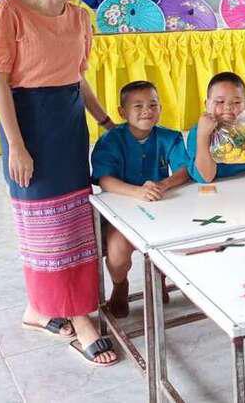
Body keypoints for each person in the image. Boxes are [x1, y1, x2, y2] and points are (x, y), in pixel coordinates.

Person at [0, 0, 118, 366]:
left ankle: (39, 309)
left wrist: (105, 121)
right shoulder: (8, 12)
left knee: (74, 223)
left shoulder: (80, 19)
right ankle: (79, 318)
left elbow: (77, 78)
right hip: (29, 128)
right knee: (44, 226)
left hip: (69, 127)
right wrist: (17, 146)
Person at [90, 80, 191, 318]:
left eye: (153, 105)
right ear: (122, 112)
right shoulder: (110, 140)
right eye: (138, 106)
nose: (147, 110)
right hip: (122, 211)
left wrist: (163, 184)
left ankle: (160, 280)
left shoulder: (170, 137)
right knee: (118, 251)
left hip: (160, 206)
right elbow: (104, 179)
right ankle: (120, 285)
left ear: (160, 108)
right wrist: (137, 192)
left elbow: (184, 170)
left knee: (170, 242)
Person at [186, 72, 245, 182]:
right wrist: (203, 135)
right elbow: (206, 177)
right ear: (207, 104)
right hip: (218, 191)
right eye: (220, 101)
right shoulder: (198, 132)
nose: (228, 107)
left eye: (237, 102)